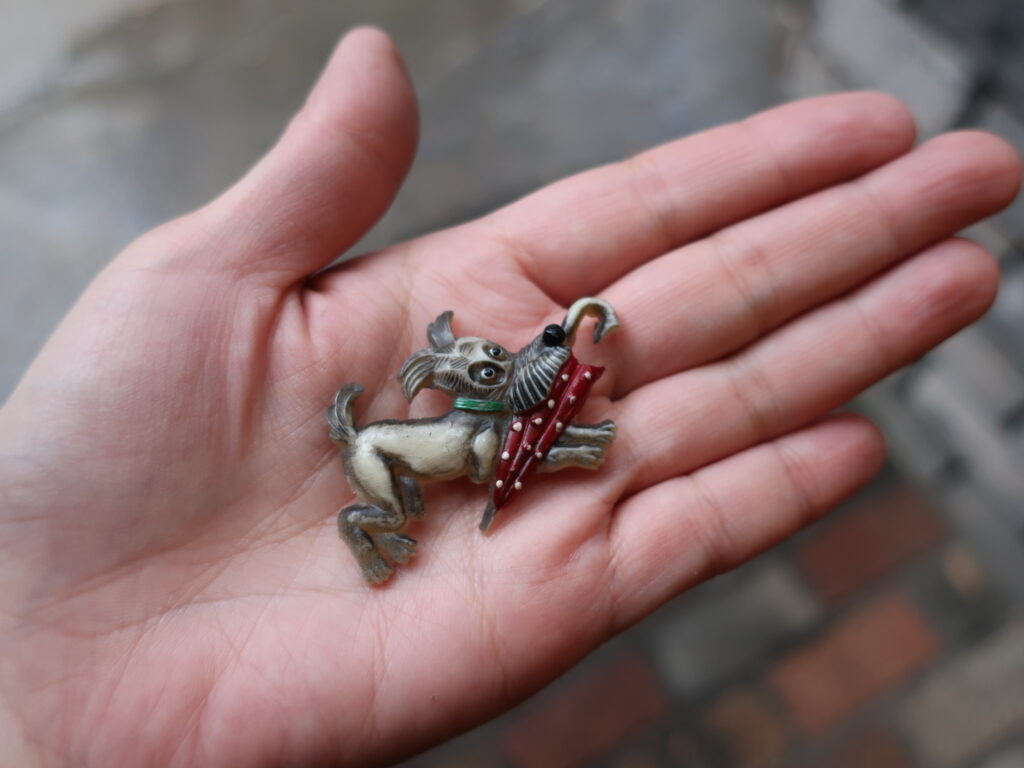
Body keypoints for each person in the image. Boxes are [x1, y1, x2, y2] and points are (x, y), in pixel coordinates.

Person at [0, 27, 1019, 767]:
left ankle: (381, 519)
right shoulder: (464, 431)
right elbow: (509, 451)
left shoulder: (483, 411)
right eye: (479, 370)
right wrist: (577, 447)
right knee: (401, 498)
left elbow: (512, 414)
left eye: (491, 366)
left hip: (404, 447)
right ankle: (367, 530)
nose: (492, 373)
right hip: (387, 459)